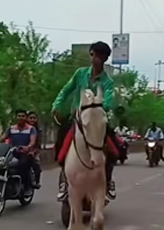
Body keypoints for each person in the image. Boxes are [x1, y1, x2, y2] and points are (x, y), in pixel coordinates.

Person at [51, 41, 119, 202]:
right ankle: (64, 181)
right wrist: (57, 105)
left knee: (114, 149)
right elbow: (66, 90)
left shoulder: (108, 82)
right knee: (60, 147)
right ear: (91, 55)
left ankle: (108, 181)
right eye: (94, 55)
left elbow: (107, 103)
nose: (96, 59)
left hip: (96, 121)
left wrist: (95, 109)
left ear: (105, 58)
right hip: (76, 119)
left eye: (100, 56)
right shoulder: (80, 74)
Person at [0, 109, 37, 197]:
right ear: (16, 117)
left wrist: (28, 146)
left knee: (23, 165)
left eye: (23, 116)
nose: (21, 118)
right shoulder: (11, 129)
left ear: (26, 118)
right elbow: (3, 138)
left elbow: (33, 141)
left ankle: (27, 187)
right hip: (12, 152)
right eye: (19, 116)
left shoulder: (31, 129)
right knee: (2, 164)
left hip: (25, 153)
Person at [27, 111, 43, 189]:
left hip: (33, 151)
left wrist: (34, 151)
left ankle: (36, 182)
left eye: (34, 118)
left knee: (36, 166)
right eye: (30, 118)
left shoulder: (38, 131)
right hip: (21, 151)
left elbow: (38, 143)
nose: (32, 120)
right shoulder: (22, 129)